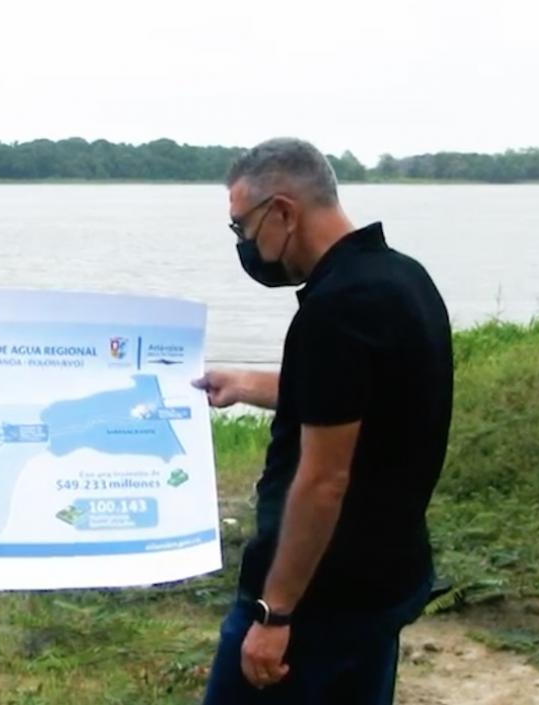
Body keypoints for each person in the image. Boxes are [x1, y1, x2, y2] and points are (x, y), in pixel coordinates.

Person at [196, 138, 454, 704]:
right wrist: (244, 384)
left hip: (319, 596)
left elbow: (323, 481)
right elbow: (355, 399)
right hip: (387, 577)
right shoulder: (404, 279)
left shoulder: (336, 309)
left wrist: (275, 612)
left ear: (283, 212)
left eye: (241, 227)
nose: (243, 244)